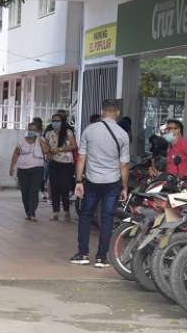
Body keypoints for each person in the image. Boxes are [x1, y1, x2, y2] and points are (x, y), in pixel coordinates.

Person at [71, 99, 130, 268]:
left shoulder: (89, 130)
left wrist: (78, 181)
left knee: (86, 215)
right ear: (117, 113)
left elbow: (81, 157)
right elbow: (124, 164)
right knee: (107, 219)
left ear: (101, 111)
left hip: (91, 181)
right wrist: (124, 187)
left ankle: (82, 254)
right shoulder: (122, 134)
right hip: (112, 183)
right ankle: (101, 257)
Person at [10, 122, 49, 221]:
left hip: (37, 169)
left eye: (34, 129)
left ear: (38, 131)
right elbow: (15, 154)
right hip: (23, 170)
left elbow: (46, 150)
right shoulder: (22, 140)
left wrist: (39, 138)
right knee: (25, 192)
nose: (31, 131)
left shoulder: (41, 140)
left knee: (33, 191)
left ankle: (32, 212)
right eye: (30, 129)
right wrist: (12, 167)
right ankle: (28, 211)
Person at [44, 113, 77, 221]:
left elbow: (74, 146)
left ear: (62, 122)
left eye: (58, 121)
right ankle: (55, 212)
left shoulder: (68, 132)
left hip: (66, 164)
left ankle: (67, 211)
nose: (55, 123)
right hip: (53, 163)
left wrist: (60, 149)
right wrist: (48, 153)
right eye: (53, 120)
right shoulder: (49, 133)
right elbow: (46, 146)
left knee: (64, 187)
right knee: (54, 187)